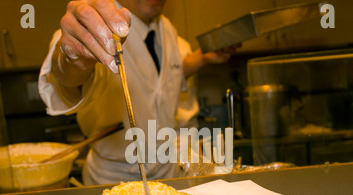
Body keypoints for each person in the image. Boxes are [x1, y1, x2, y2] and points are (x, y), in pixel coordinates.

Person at [39, 0, 237, 185]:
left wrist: (201, 58)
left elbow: (161, 80)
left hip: (168, 172)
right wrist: (74, 59)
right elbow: (67, 74)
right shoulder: (96, 24)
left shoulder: (165, 28)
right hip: (113, 179)